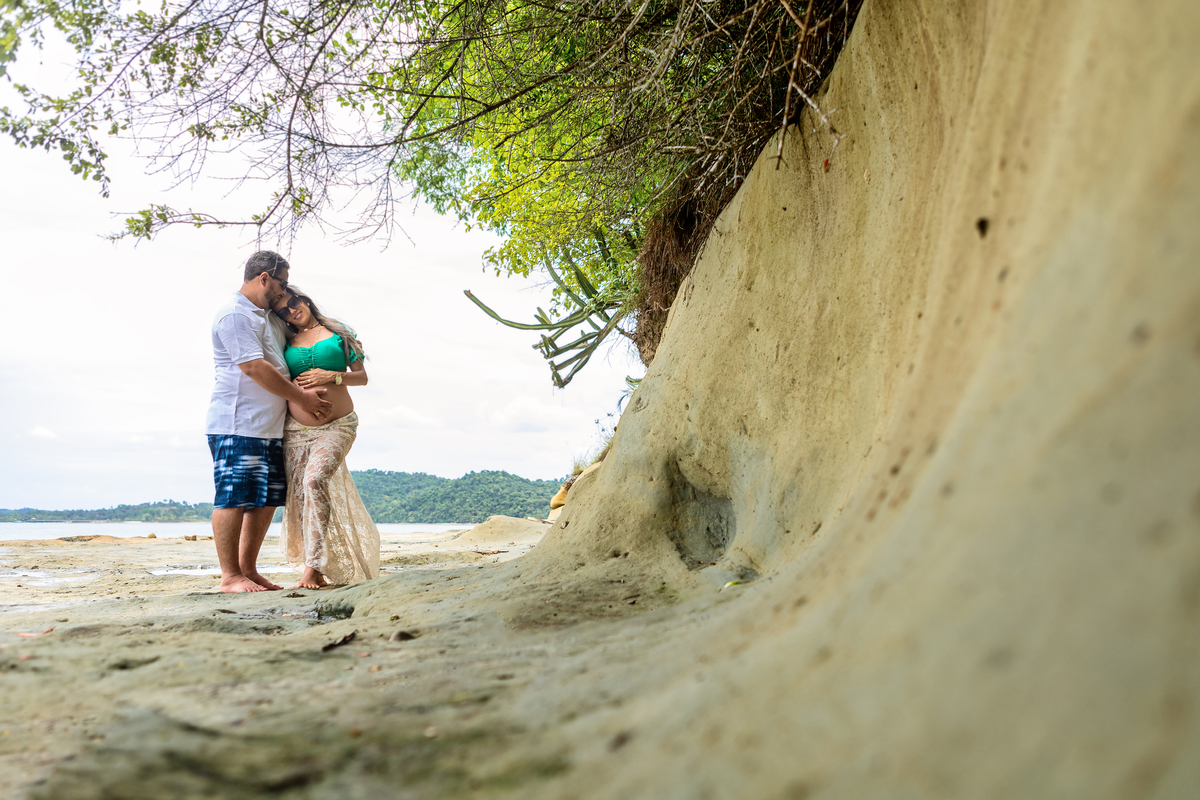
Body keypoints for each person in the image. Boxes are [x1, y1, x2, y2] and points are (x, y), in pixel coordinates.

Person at [206, 252, 333, 593]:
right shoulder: (235, 314)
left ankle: (248, 570)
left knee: (263, 499)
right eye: (280, 283)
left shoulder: (265, 316)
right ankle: (229, 576)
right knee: (234, 496)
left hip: (268, 426)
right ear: (264, 278)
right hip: (238, 422)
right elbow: (254, 367)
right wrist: (301, 397)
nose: (283, 291)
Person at [271, 287, 380, 589]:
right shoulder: (285, 340)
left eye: (293, 303)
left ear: (304, 299)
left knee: (313, 480)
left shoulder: (338, 332)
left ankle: (313, 567)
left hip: (338, 426)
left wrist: (331, 376)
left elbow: (362, 376)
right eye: (283, 311)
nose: (292, 311)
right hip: (295, 431)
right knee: (302, 495)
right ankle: (313, 568)